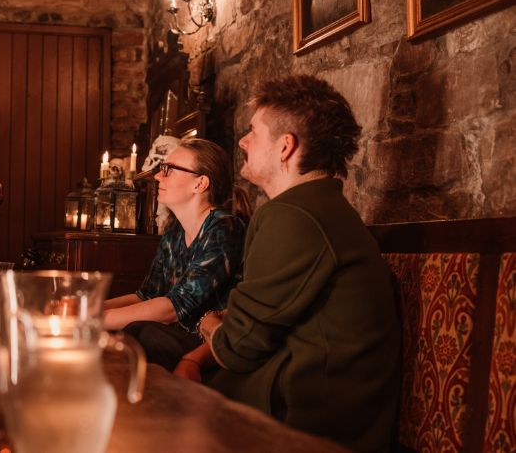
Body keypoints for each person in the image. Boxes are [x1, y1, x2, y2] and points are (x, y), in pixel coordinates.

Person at [178, 75, 401, 452]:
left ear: (285, 147)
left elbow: (238, 346)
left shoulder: (294, 216)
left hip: (309, 423)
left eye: (253, 132)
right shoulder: (316, 207)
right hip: (310, 399)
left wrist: (207, 322)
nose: (244, 142)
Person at [102, 138, 250, 370]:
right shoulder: (175, 229)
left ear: (199, 183)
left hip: (212, 348)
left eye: (169, 170)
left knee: (139, 333)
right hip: (174, 338)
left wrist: (91, 322)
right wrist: (91, 308)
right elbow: (147, 295)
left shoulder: (224, 228)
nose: (158, 176)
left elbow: (173, 308)